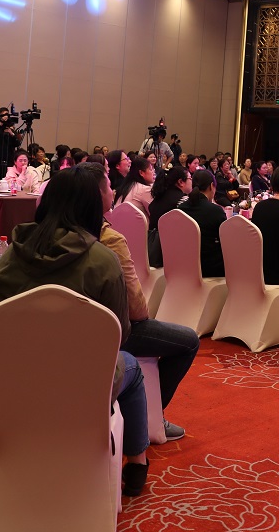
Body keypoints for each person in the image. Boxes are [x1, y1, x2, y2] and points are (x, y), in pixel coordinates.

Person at [0, 168, 152, 495]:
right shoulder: (103, 260)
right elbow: (119, 333)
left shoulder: (8, 257)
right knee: (131, 365)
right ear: (92, 206)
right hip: (82, 386)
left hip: (15, 384)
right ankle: (137, 465)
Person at [78, 163, 195, 443]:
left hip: (58, 334)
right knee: (188, 341)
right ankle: (153, 413)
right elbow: (137, 310)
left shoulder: (34, 240)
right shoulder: (108, 242)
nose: (114, 190)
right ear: (97, 196)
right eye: (109, 186)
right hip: (111, 333)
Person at [179, 170, 225, 278]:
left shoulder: (181, 208)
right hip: (209, 268)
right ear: (212, 186)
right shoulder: (215, 211)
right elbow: (225, 241)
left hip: (184, 264)